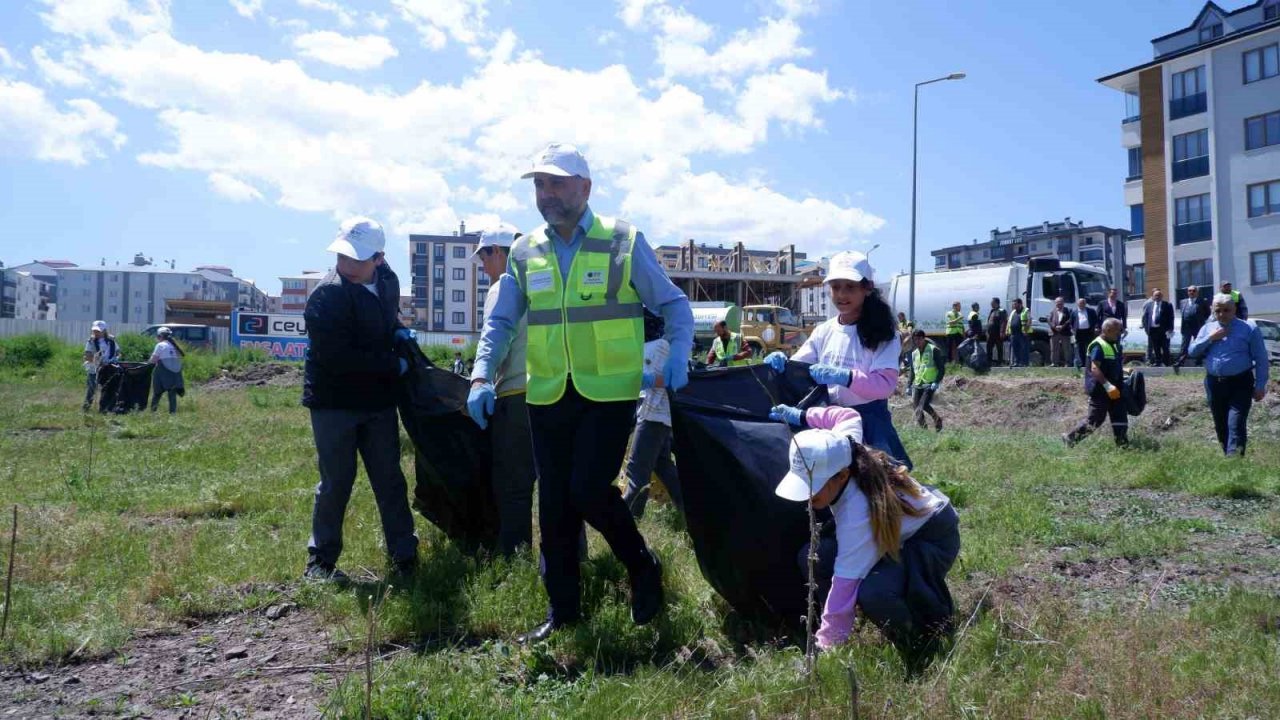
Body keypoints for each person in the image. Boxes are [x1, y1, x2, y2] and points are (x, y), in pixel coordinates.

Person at [467, 143, 692, 643]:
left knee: (588, 489)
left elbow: (674, 304)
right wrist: (482, 374)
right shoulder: (525, 252)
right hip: (546, 391)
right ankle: (564, 610)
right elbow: (501, 321)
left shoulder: (623, 242)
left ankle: (642, 566)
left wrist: (678, 352)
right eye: (539, 185)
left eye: (557, 183)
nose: (546, 194)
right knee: (554, 507)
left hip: (608, 391)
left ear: (584, 188)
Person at [770, 405, 958, 672]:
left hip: (931, 537)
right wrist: (801, 415)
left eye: (815, 485)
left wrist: (824, 649)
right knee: (815, 557)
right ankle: (845, 626)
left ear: (842, 475)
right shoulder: (845, 447)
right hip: (899, 526)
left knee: (874, 592)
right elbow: (846, 416)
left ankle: (921, 647)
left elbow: (845, 583)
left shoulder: (857, 515)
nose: (809, 497)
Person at [302, 217, 418, 583]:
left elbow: (388, 320)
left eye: (356, 259)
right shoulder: (327, 295)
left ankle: (405, 556)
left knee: (389, 478)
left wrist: (399, 332)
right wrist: (392, 363)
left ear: (379, 259)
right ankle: (320, 564)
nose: (347, 265)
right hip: (335, 402)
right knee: (337, 480)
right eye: (342, 256)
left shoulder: (387, 281)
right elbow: (338, 359)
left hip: (378, 401)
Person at [763, 251, 911, 468]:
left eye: (850, 287)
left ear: (867, 288)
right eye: (835, 287)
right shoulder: (825, 330)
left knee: (879, 487)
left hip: (869, 421)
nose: (841, 294)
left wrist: (846, 377)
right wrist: (783, 362)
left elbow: (885, 386)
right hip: (828, 418)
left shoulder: (883, 334)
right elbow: (800, 365)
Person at [473, 225, 539, 557]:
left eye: (484, 258)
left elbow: (496, 337)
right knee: (559, 485)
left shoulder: (503, 287)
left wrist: (480, 379)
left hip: (514, 396)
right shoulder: (543, 281)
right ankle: (575, 557)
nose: (483, 267)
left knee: (514, 486)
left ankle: (516, 557)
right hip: (551, 394)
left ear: (498, 252)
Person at [1187, 294, 1269, 456]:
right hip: (1214, 384)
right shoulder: (1207, 329)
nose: (1222, 314)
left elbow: (1261, 359)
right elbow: (1192, 352)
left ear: (1234, 310)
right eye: (1218, 311)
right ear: (1212, 311)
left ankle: (1235, 462)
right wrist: (1211, 338)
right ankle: (1228, 458)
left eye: (1226, 310)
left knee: (1236, 423)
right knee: (1221, 424)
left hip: (1240, 383)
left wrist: (1260, 386)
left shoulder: (1248, 329)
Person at [621, 311, 684, 519]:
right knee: (663, 465)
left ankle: (626, 517)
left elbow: (665, 380)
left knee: (637, 471)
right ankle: (689, 507)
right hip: (660, 415)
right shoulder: (667, 345)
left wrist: (642, 380)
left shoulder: (657, 346)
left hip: (652, 414)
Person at [1063, 318, 1128, 448]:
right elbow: (1095, 368)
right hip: (1101, 390)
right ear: (1108, 330)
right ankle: (1071, 438)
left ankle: (1123, 446)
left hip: (1115, 389)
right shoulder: (1098, 345)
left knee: (1120, 417)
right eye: (1118, 331)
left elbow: (1110, 364)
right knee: (1095, 420)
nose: (1120, 333)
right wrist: (1108, 386)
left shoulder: (1113, 344)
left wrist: (1125, 370)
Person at [906, 329, 945, 431]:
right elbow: (912, 371)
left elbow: (941, 368)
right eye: (915, 340)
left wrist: (936, 381)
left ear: (924, 338)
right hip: (918, 383)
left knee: (923, 405)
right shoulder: (914, 353)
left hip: (930, 383)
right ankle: (924, 430)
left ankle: (937, 419)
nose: (917, 341)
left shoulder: (933, 350)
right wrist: (908, 385)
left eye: (919, 339)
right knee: (916, 408)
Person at [82, 320, 120, 412]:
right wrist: (97, 361)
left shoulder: (111, 341)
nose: (96, 333)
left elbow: (118, 353)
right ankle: (86, 409)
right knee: (91, 389)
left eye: (98, 331)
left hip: (108, 368)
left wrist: (114, 360)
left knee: (107, 389)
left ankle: (105, 408)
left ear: (104, 331)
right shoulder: (91, 341)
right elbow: (87, 356)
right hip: (94, 369)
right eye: (94, 331)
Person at [148, 327, 185, 414]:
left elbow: (153, 360)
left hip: (163, 371)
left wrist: (146, 364)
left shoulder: (160, 345)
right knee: (172, 393)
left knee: (157, 392)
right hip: (175, 373)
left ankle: (153, 412)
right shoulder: (174, 346)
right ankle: (173, 413)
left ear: (160, 336)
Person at [1174, 285, 1210, 368]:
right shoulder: (1182, 302)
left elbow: (1207, 313)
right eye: (1189, 291)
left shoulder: (1202, 301)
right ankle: (1181, 361)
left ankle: (1198, 362)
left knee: (1198, 344)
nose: (1191, 292)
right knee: (1184, 345)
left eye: (1193, 291)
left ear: (1197, 292)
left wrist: (1201, 320)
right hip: (1186, 327)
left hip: (1198, 327)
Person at [1140, 288, 1174, 366]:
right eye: (1156, 295)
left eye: (1159, 295)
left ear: (1162, 296)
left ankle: (1167, 363)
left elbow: (1171, 318)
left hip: (1164, 330)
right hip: (1153, 330)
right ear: (1153, 296)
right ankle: (1158, 362)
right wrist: (1146, 329)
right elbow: (1145, 317)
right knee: (1156, 347)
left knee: (1165, 347)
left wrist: (1170, 329)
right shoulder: (1149, 305)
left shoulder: (1167, 305)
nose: (1157, 297)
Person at [1070, 297, 1100, 372]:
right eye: (1080, 303)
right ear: (1077, 304)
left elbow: (1096, 320)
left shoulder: (1091, 311)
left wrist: (1096, 327)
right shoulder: (1074, 312)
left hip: (1089, 332)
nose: (1082, 304)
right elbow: (1071, 322)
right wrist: (1072, 329)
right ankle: (1082, 364)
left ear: (1085, 304)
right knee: (1080, 349)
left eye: (1083, 303)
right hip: (1079, 333)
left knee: (1090, 347)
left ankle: (1090, 362)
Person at [1048, 297, 1073, 367]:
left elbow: (1070, 320)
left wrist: (1062, 326)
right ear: (1055, 303)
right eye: (1057, 303)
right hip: (1054, 332)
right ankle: (1054, 363)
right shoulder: (1052, 311)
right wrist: (1054, 327)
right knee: (1054, 349)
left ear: (1063, 303)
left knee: (1066, 348)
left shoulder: (1068, 310)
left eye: (1060, 303)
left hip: (1065, 332)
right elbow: (1049, 320)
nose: (1059, 304)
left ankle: (1068, 363)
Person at [1005, 298, 1030, 367]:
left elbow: (1029, 320)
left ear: (1020, 304)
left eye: (1015, 304)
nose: (1013, 305)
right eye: (1013, 304)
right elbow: (1009, 321)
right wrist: (1007, 330)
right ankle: (1017, 362)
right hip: (1013, 333)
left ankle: (1024, 363)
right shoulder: (1013, 312)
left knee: (1024, 348)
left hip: (1022, 333)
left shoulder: (1026, 310)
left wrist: (1026, 330)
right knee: (1015, 349)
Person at [985, 298, 1007, 366]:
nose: (991, 304)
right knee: (989, 348)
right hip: (990, 333)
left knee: (999, 348)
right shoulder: (992, 311)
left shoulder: (1002, 311)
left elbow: (1003, 322)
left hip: (998, 333)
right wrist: (987, 331)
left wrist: (1002, 332)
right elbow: (989, 321)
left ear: (996, 303)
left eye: (992, 302)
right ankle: (989, 362)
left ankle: (999, 362)